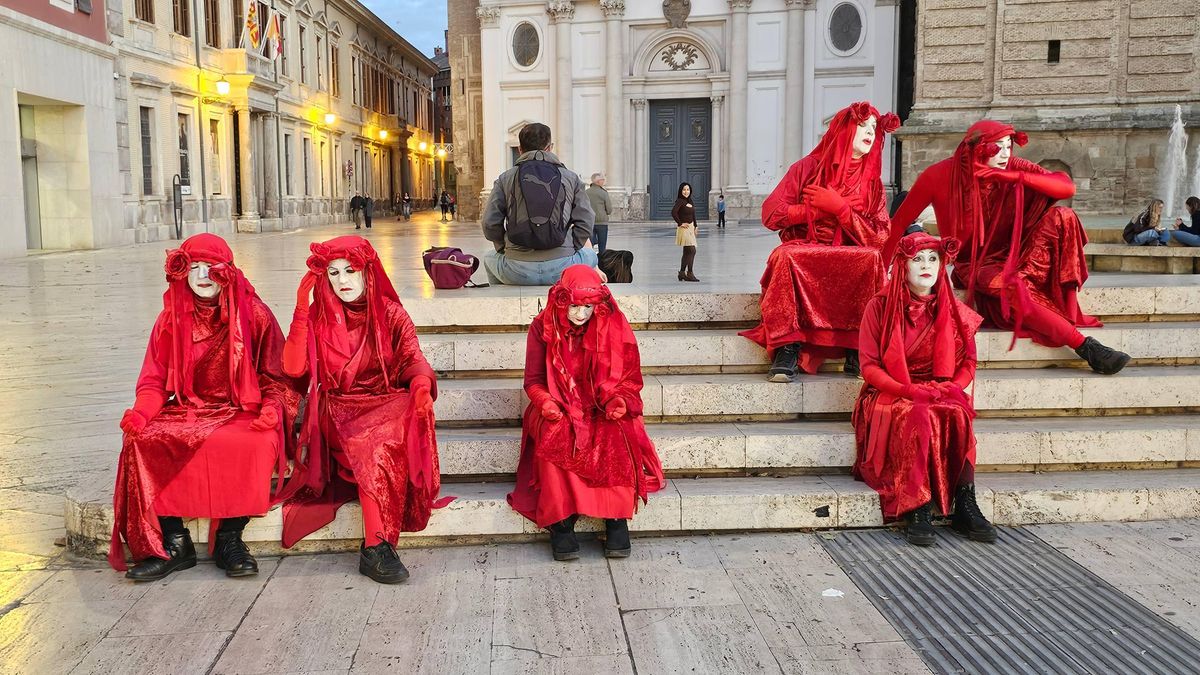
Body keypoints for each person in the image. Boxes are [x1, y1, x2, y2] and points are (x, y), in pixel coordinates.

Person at [110, 234, 300, 581]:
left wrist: (272, 408)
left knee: (251, 441)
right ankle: (174, 542)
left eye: (210, 267)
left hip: (242, 409)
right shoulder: (171, 319)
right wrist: (141, 413)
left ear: (226, 270)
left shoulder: (255, 314)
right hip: (187, 410)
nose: (201, 276)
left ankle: (230, 537)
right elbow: (153, 380)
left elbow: (278, 377)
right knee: (142, 440)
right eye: (193, 267)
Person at [888, 120, 1130, 375]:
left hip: (1017, 255)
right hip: (974, 265)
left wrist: (1010, 176)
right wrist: (881, 270)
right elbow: (898, 225)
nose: (1006, 154)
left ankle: (1038, 296)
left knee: (1063, 215)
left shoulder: (1011, 166)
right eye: (998, 147)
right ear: (978, 148)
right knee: (1011, 286)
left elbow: (1066, 186)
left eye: (1008, 146)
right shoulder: (938, 175)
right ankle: (1087, 348)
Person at [280, 236, 447, 584]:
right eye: (334, 273)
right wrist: (300, 307)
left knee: (391, 424)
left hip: (384, 404)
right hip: (339, 410)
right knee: (376, 442)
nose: (342, 281)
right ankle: (376, 547)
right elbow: (294, 369)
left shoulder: (390, 313)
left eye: (350, 271)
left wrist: (419, 387)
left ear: (367, 272)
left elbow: (413, 359)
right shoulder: (318, 315)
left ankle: (376, 546)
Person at [508, 265, 666, 560]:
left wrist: (619, 400)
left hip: (600, 405)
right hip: (557, 404)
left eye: (588, 307)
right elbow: (533, 381)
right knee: (556, 434)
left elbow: (629, 378)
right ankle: (561, 522)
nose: (581, 315)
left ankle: (616, 520)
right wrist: (545, 402)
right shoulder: (542, 327)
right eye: (575, 307)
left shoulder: (614, 325)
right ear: (561, 301)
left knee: (614, 433)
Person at [740, 101, 900, 382]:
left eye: (874, 128)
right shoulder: (806, 168)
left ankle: (858, 348)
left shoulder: (872, 183)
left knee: (872, 259)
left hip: (852, 250)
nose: (870, 132)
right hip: (807, 246)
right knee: (785, 256)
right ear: (843, 129)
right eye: (862, 125)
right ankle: (787, 346)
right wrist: (810, 211)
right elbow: (770, 214)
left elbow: (880, 237)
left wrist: (842, 210)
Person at [853, 233, 995, 546]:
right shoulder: (878, 307)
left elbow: (969, 362)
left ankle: (965, 501)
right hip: (892, 390)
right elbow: (870, 367)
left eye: (933, 259)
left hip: (940, 388)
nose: (926, 266)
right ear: (902, 266)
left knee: (958, 412)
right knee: (916, 413)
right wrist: (907, 389)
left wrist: (952, 389)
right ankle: (916, 503)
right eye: (917, 259)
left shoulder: (956, 310)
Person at [481, 122, 597, 285]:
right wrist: (570, 246)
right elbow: (586, 221)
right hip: (563, 268)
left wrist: (504, 247)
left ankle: (504, 302)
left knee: (489, 258)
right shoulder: (571, 178)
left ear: (520, 149)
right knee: (592, 255)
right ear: (549, 147)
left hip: (516, 269)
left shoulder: (505, 178)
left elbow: (489, 223)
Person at [673, 183, 700, 282]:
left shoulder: (690, 201)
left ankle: (681, 273)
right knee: (692, 250)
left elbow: (693, 215)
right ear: (681, 191)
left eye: (688, 189)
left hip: (691, 227)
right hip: (684, 229)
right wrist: (680, 223)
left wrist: (696, 226)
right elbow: (674, 212)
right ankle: (690, 273)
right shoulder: (680, 201)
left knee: (687, 251)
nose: (686, 191)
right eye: (684, 190)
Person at [587, 173, 612, 254]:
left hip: (589, 221)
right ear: (598, 182)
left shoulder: (586, 192)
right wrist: (606, 213)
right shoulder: (603, 193)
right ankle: (601, 260)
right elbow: (609, 209)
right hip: (602, 222)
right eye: (602, 180)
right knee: (602, 246)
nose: (604, 181)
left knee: (590, 245)